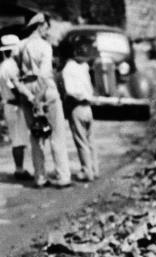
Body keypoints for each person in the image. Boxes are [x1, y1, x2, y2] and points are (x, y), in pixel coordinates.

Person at [16, 13, 71, 188]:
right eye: (46, 26)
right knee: (56, 133)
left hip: (26, 89)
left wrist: (29, 96)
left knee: (36, 134)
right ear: (40, 25)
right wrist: (38, 100)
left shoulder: (20, 46)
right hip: (44, 90)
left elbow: (15, 75)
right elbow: (45, 74)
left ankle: (40, 176)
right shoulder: (45, 46)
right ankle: (63, 176)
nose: (47, 30)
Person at [62, 42, 98, 181]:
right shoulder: (84, 67)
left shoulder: (68, 68)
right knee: (90, 140)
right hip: (88, 106)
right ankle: (94, 169)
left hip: (77, 106)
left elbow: (70, 90)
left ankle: (86, 170)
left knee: (81, 141)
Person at [0, 34, 31, 179]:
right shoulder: (10, 66)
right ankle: (19, 170)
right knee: (18, 139)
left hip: (10, 105)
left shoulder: (2, 66)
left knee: (19, 138)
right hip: (14, 106)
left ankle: (20, 168)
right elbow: (14, 88)